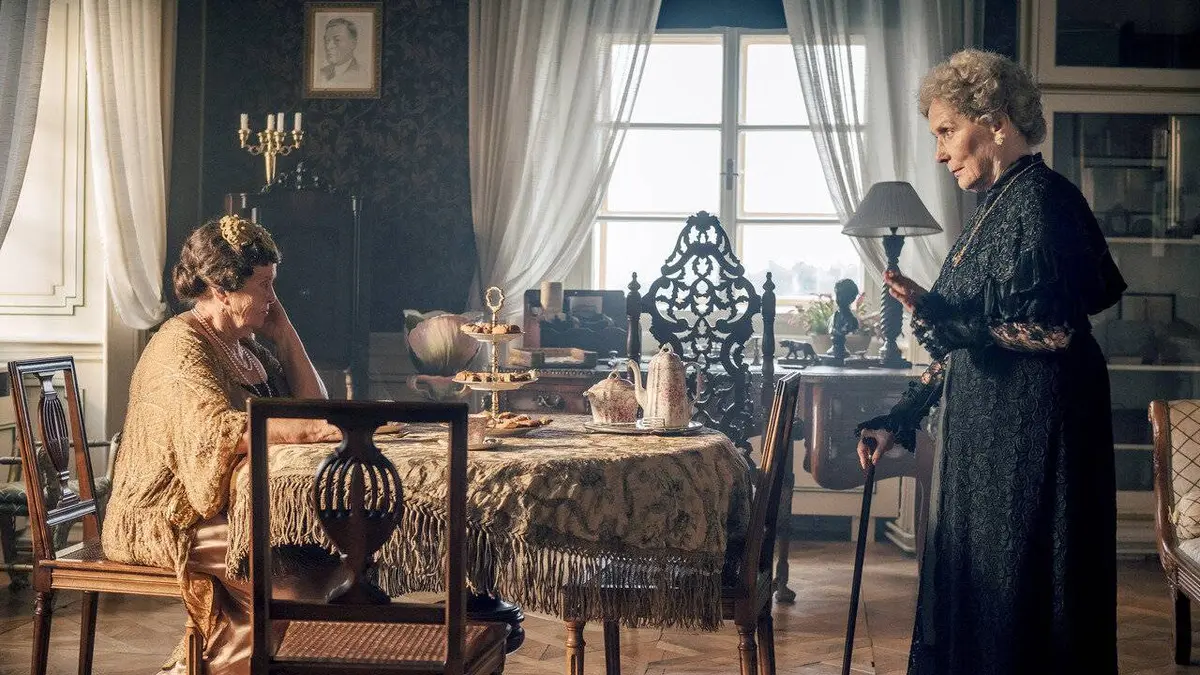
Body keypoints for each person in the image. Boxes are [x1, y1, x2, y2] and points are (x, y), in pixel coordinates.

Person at [854, 49, 1126, 674]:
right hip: (991, 437)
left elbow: (1053, 331)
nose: (940, 152)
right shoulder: (996, 206)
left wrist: (942, 314)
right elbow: (969, 343)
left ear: (996, 122)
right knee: (981, 598)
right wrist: (901, 417)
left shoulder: (1044, 202)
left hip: (1033, 438)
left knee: (1021, 599)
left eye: (947, 131)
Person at [102, 215, 343, 675]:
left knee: (327, 559)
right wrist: (313, 431)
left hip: (224, 508)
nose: (273, 298)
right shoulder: (179, 346)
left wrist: (286, 334)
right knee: (291, 582)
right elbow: (219, 432)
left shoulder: (244, 345)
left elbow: (315, 407)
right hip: (166, 516)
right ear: (220, 289)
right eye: (264, 285)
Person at [319, 17, 365, 86]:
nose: (328, 47)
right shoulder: (321, 72)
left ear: (353, 44)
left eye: (337, 40)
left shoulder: (362, 74)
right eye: (327, 40)